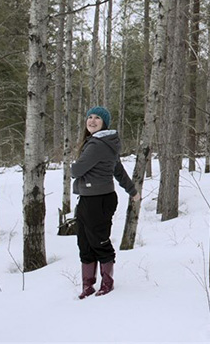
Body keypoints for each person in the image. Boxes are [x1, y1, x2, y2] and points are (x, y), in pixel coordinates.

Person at [71, 106, 141, 299]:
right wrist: (132, 191)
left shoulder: (97, 145)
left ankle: (107, 282)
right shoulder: (102, 143)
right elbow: (117, 170)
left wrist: (74, 166)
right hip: (89, 198)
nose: (92, 121)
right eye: (89, 117)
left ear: (104, 124)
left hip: (98, 200)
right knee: (84, 242)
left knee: (98, 241)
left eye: (97, 119)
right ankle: (88, 285)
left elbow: (76, 171)